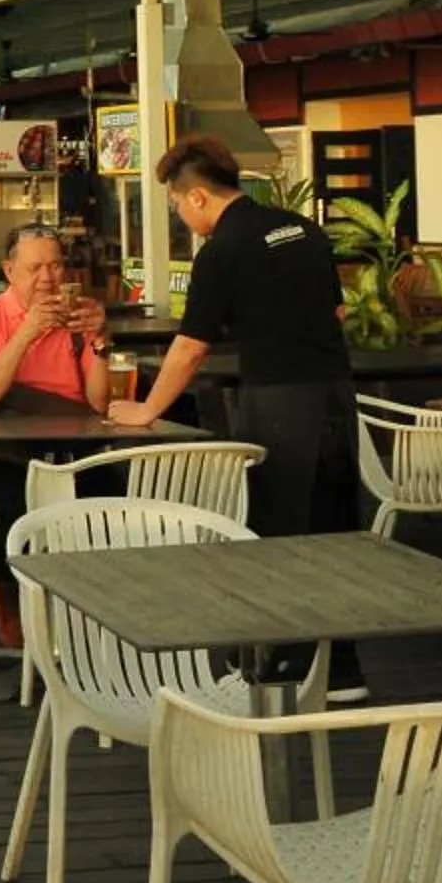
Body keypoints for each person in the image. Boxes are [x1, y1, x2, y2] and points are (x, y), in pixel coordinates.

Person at [109, 133, 363, 691]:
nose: (180, 214)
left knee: (277, 531)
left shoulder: (224, 251)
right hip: (336, 395)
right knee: (336, 531)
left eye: (177, 204)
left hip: (278, 401)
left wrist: (148, 408)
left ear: (196, 196)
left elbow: (191, 345)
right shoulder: (303, 229)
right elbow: (337, 309)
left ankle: (282, 662)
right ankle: (343, 669)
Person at [0, 225, 110, 651]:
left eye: (56, 265)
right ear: (9, 271)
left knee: (111, 503)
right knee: (27, 509)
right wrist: (26, 334)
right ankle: (8, 592)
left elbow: (98, 403)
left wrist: (101, 341)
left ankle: (89, 614)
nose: (48, 278)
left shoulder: (77, 318)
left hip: (74, 440)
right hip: (0, 443)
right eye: (35, 267)